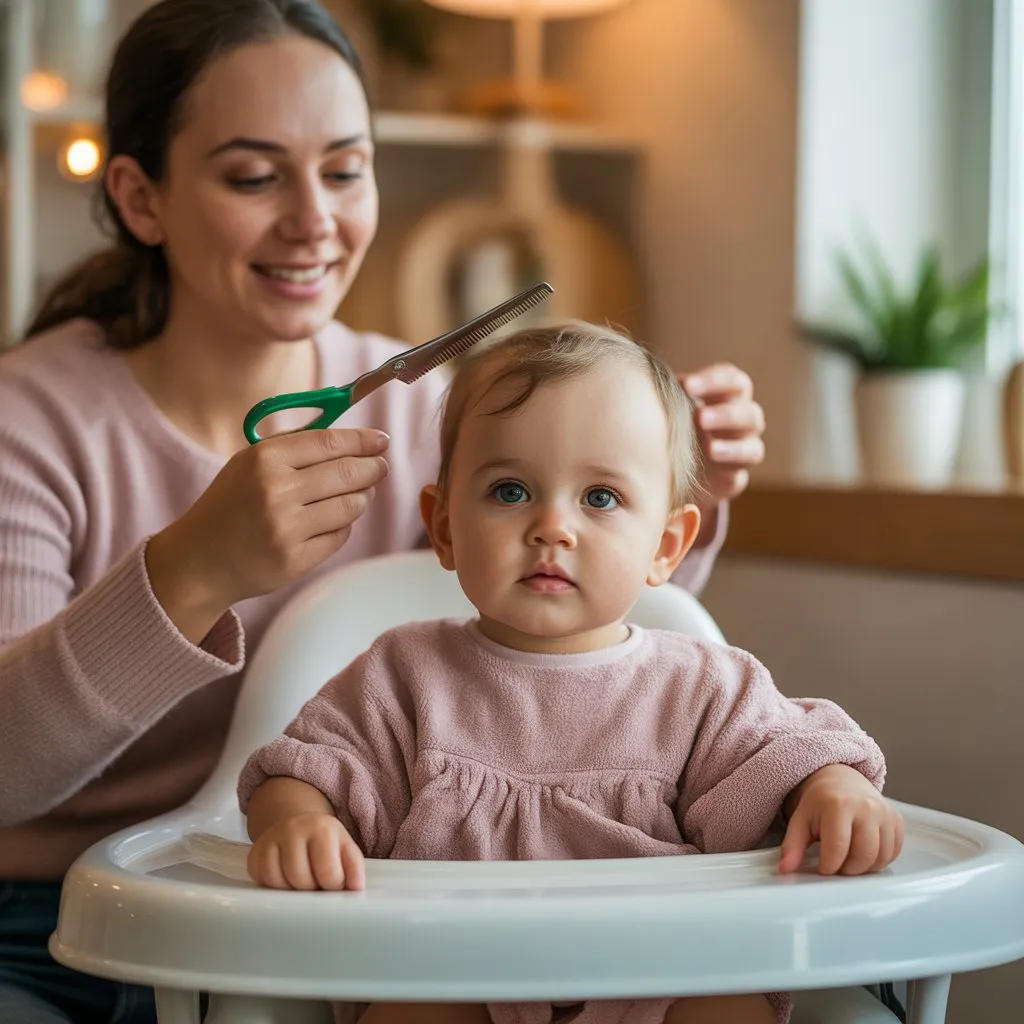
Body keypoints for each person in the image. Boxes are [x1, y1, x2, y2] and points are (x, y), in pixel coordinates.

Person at [0, 1, 765, 1020]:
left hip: (312, 916)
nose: (313, 219)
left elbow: (543, 620)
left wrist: (679, 491)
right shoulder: (29, 417)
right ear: (142, 196)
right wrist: (191, 569)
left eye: (346, 168)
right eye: (253, 174)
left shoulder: (419, 407)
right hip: (48, 922)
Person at [240, 323, 903, 1024]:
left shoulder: (701, 684)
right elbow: (303, 771)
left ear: (667, 545)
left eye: (600, 499)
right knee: (408, 1009)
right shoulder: (402, 676)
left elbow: (794, 754)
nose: (552, 526)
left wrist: (833, 790)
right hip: (450, 973)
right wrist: (297, 823)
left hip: (659, 974)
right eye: (510, 491)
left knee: (730, 1001)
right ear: (442, 527)